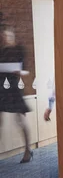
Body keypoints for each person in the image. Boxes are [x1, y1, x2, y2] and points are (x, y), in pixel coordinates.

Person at [0, 29, 33, 163]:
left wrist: (19, 71)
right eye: (2, 36)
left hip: (14, 88)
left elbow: (25, 70)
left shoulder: (19, 49)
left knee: (19, 119)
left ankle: (27, 149)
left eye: (6, 35)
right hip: (1, 87)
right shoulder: (0, 51)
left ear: (12, 36)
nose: (4, 38)